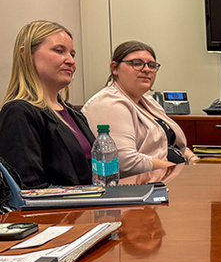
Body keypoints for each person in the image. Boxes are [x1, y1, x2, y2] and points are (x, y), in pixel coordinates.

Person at [0, 20, 95, 189]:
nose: (71, 61)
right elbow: (30, 190)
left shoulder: (75, 113)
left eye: (72, 54)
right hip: (59, 214)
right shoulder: (18, 113)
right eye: (59, 51)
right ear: (26, 55)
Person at [82, 41, 196, 178]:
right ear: (115, 68)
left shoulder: (148, 101)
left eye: (152, 65)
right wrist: (178, 170)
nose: (146, 69)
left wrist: (192, 159)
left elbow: (167, 144)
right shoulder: (108, 103)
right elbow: (125, 161)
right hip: (143, 188)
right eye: (137, 63)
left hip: (169, 178)